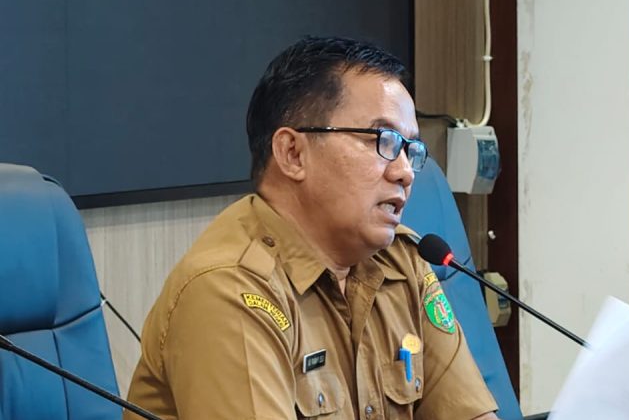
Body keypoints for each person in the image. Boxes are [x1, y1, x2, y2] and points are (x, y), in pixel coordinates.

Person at [125, 36, 499, 420]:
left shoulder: (404, 262)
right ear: (293, 153)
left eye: (410, 149)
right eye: (383, 140)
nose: (405, 172)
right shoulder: (230, 289)